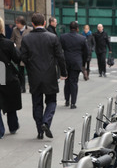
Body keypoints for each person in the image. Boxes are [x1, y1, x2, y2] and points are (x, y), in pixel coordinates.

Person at [20, 12, 67, 140]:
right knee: (51, 101)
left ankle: (39, 130)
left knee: (37, 103)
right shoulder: (52, 37)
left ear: (32, 24)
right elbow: (60, 57)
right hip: (50, 75)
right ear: (45, 23)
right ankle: (46, 122)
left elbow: (22, 57)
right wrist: (63, 73)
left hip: (34, 75)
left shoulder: (26, 39)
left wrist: (31, 67)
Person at [0, 16, 22, 138]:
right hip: (6, 74)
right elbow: (18, 59)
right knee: (10, 101)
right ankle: (13, 126)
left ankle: (0, 131)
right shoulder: (8, 44)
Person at [60, 21, 89, 108]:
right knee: (74, 82)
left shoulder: (63, 37)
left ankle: (67, 100)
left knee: (67, 81)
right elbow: (86, 52)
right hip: (76, 62)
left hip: (66, 61)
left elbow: (59, 50)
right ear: (77, 29)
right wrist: (83, 63)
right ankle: (73, 102)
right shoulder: (82, 38)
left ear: (69, 28)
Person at [10, 15, 32, 92]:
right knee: (21, 72)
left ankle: (31, 86)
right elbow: (12, 40)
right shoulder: (14, 30)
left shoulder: (30, 29)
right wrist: (14, 46)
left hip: (28, 53)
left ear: (22, 23)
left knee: (30, 71)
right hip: (19, 54)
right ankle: (22, 87)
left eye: (18, 23)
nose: (16, 25)